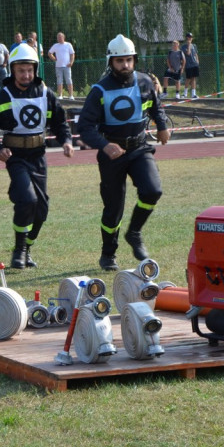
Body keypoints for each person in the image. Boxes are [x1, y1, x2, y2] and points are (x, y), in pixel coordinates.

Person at [78, 35, 170, 271]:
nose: (125, 65)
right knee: (113, 208)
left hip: (139, 148)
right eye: (120, 61)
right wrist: (104, 145)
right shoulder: (99, 90)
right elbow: (85, 128)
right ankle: (108, 254)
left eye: (129, 60)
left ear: (134, 60)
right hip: (111, 155)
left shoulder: (146, 82)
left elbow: (156, 107)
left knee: (153, 190)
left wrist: (162, 126)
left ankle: (135, 233)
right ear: (111, 62)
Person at [0, 43, 73, 269]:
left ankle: (27, 246)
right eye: (21, 70)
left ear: (35, 70)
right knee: (27, 199)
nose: (26, 75)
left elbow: (60, 123)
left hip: (38, 156)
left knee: (42, 209)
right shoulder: (1, 97)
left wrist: (67, 142)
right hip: (16, 157)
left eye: (30, 70)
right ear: (13, 69)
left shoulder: (45, 93)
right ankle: (19, 250)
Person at [48, 32, 76, 99]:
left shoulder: (68, 45)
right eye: (58, 37)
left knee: (69, 80)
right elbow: (49, 53)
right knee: (59, 80)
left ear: (63, 37)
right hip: (58, 66)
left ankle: (71, 95)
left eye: (60, 37)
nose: (59, 38)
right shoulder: (55, 45)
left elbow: (72, 54)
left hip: (67, 66)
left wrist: (71, 62)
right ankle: (60, 95)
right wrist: (54, 58)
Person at [181, 33, 200, 98]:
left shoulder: (194, 45)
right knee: (188, 79)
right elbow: (188, 53)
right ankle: (185, 94)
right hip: (188, 65)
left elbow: (195, 54)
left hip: (194, 64)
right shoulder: (183, 47)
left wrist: (197, 61)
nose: (190, 38)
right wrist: (189, 45)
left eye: (191, 37)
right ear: (186, 38)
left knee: (193, 78)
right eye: (188, 37)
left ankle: (193, 94)